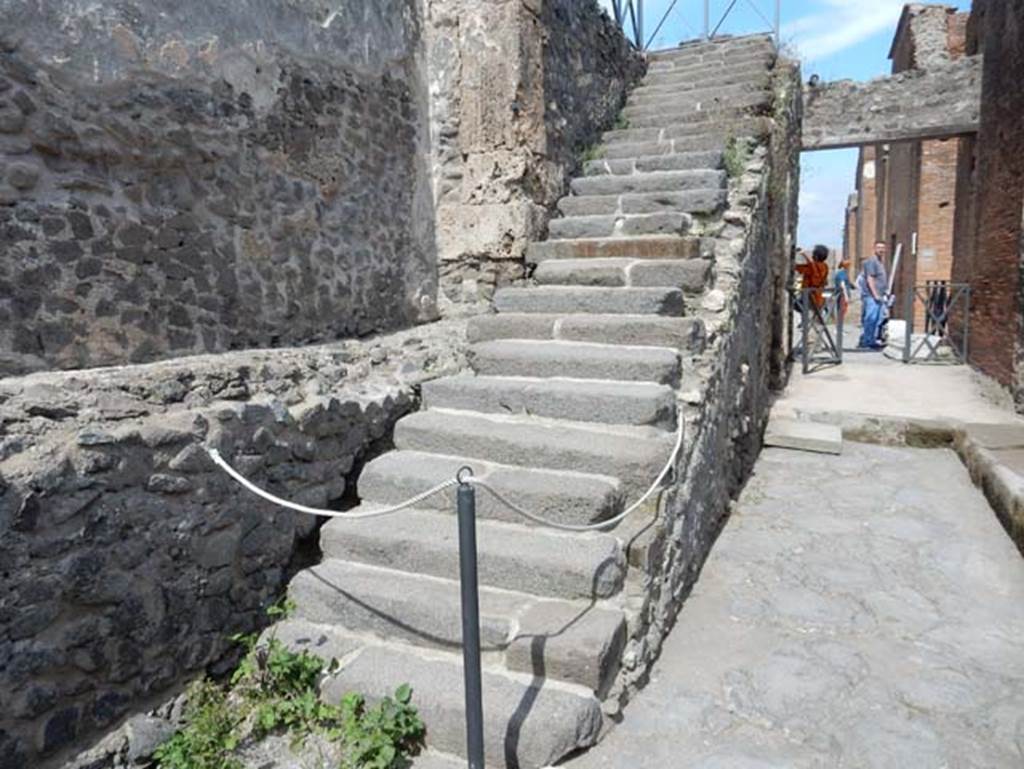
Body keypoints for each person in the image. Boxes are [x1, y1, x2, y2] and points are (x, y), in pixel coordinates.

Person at [858, 241, 888, 349]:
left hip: (879, 295)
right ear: (874, 248)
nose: (881, 250)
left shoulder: (880, 262)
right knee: (871, 318)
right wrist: (875, 294)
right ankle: (867, 341)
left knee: (877, 319)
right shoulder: (872, 261)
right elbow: (870, 278)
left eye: (883, 248)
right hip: (872, 296)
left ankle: (872, 340)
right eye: (879, 247)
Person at [794, 244, 830, 312]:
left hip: (810, 297)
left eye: (813, 254)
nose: (812, 256)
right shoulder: (825, 267)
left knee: (795, 304)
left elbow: (806, 267)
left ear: (816, 257)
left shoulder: (812, 267)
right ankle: (806, 320)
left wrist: (803, 254)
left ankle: (805, 321)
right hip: (819, 297)